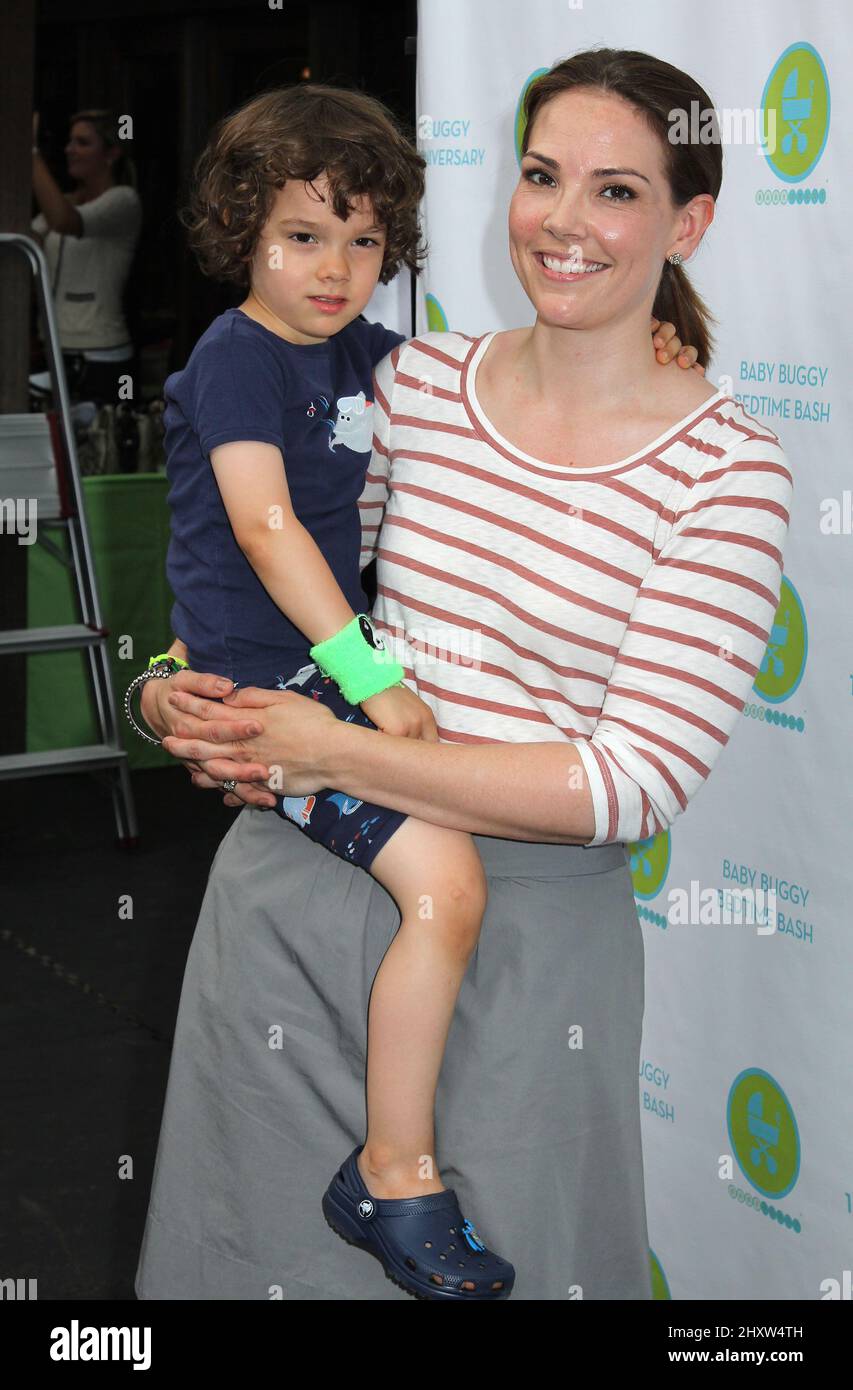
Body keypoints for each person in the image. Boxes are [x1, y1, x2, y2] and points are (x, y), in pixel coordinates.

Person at [135, 47, 791, 1301]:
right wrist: (165, 692)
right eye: (543, 175)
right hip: (288, 895)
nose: (562, 218)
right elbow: (282, 565)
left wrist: (339, 750)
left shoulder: (728, 468)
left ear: (687, 221)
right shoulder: (415, 382)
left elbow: (631, 784)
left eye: (616, 190)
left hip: (524, 952)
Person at [30, 108, 142, 404]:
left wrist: (30, 153)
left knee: (96, 447)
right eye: (69, 142)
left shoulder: (123, 201)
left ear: (111, 153)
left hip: (101, 355)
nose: (70, 150)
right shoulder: (65, 202)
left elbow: (66, 222)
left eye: (83, 143)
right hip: (55, 347)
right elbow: (29, 241)